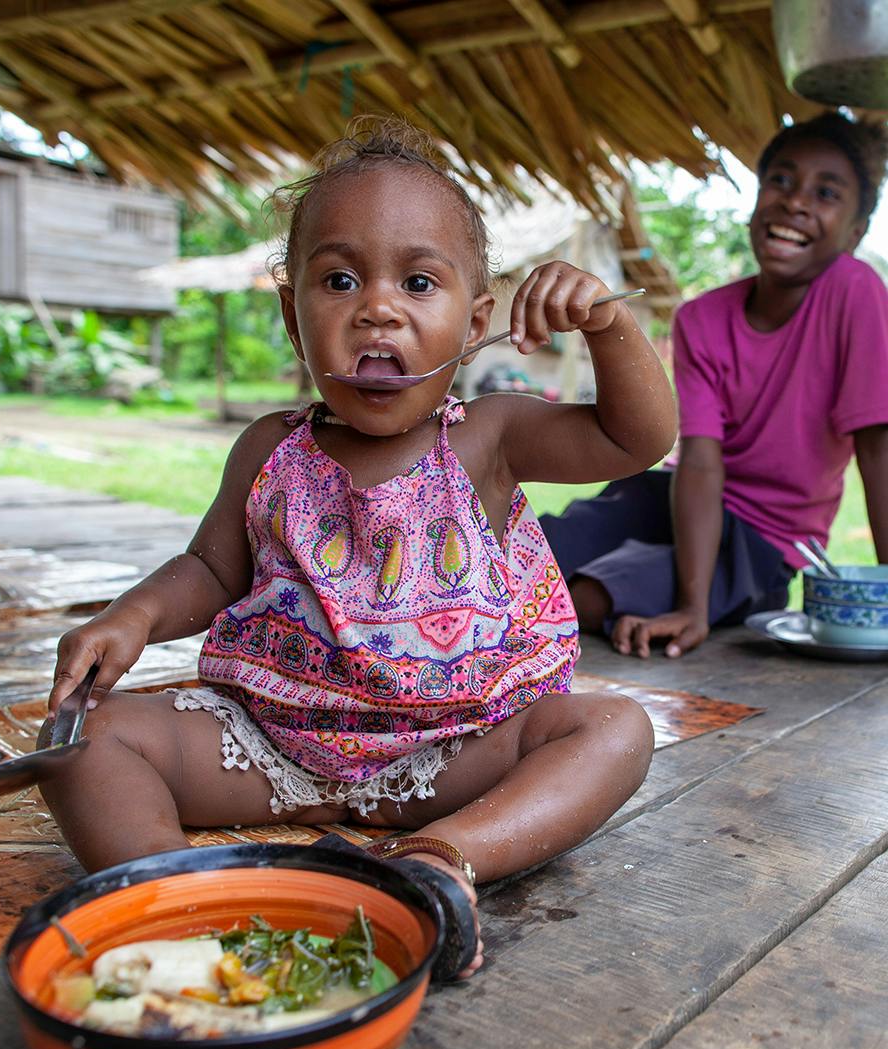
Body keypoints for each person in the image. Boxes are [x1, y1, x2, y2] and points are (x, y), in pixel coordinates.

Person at [39, 117, 677, 979]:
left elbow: (633, 439)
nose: (378, 308)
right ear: (293, 318)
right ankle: (174, 891)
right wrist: (132, 617)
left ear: (475, 319)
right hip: (269, 750)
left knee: (615, 730)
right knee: (85, 742)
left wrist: (604, 324)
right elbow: (212, 569)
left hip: (452, 752)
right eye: (339, 279)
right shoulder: (271, 450)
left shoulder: (489, 438)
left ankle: (439, 859)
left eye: (419, 282)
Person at [540, 112, 888, 660]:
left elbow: (878, 448)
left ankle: (666, 591)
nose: (796, 202)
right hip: (680, 498)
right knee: (524, 553)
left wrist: (692, 606)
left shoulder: (854, 290)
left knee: (581, 599)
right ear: (756, 197)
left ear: (856, 231)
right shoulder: (701, 318)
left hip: (761, 542)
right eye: (781, 180)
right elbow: (700, 463)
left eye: (826, 193)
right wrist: (693, 604)